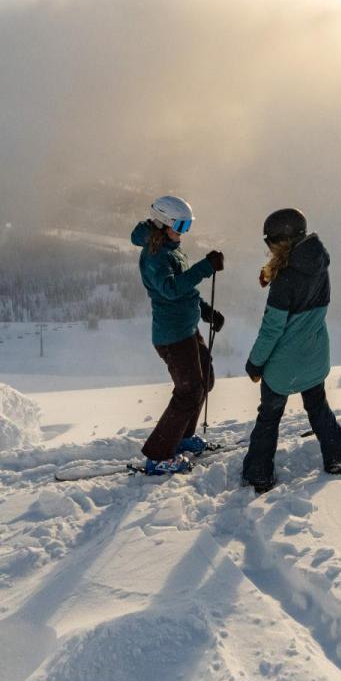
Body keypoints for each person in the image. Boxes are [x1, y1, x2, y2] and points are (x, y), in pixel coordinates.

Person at [242, 207, 341, 492]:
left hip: (283, 366)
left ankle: (259, 474)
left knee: (269, 416)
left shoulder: (285, 281)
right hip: (314, 357)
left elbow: (271, 331)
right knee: (318, 408)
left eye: (270, 244)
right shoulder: (319, 264)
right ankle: (337, 457)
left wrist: (255, 363)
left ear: (282, 242)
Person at [130, 194, 225, 475]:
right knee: (189, 391)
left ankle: (182, 437)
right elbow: (170, 289)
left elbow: (184, 291)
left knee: (204, 380)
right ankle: (159, 455)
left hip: (187, 327)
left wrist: (205, 311)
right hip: (172, 336)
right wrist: (205, 268)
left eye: (188, 226)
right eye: (182, 226)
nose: (185, 232)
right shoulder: (155, 255)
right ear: (164, 223)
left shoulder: (170, 248)